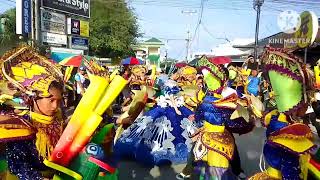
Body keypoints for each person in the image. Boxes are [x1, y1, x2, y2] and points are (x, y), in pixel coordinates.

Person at [0, 46, 65, 179]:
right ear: (33, 99)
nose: (55, 106)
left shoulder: (59, 121)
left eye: (59, 101)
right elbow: (16, 165)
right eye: (51, 100)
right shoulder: (20, 125)